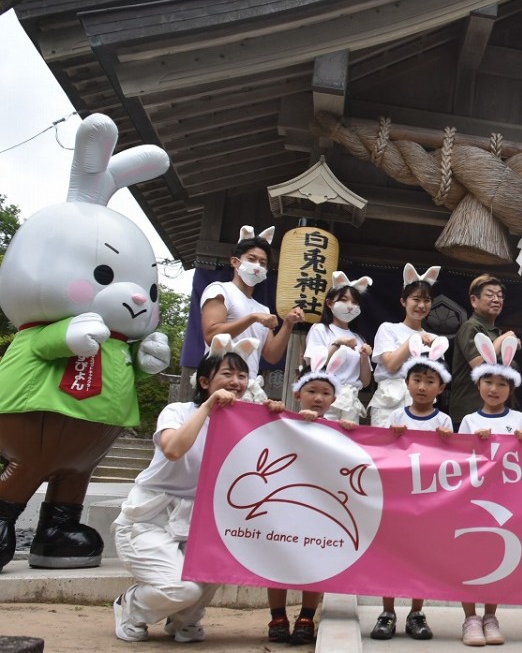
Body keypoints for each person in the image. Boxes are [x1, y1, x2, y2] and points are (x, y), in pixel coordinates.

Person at [111, 335, 255, 643]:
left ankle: (184, 620)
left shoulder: (242, 424)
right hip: (148, 519)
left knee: (218, 566)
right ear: (204, 381)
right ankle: (131, 606)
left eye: (242, 376)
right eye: (227, 374)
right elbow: (174, 449)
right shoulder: (178, 411)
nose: (236, 381)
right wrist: (208, 407)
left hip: (198, 521)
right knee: (181, 587)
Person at [262, 368, 357, 644]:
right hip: (282, 507)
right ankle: (277, 616)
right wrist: (276, 410)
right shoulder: (280, 420)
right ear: (297, 394)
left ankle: (306, 616)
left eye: (325, 393)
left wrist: (349, 432)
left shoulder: (338, 428)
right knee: (277, 560)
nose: (318, 398)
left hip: (320, 509)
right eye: (312, 391)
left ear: (334, 398)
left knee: (315, 559)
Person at [371, 335, 454, 641]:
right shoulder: (395, 417)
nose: (422, 386)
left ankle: (417, 613)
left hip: (428, 503)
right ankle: (387, 612)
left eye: (429, 381)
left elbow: (450, 463)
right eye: (417, 379)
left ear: (441, 387)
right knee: (391, 555)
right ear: (406, 382)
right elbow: (381, 457)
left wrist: (447, 440)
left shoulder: (444, 420)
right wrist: (391, 438)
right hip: (397, 501)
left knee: (421, 558)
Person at [458, 332, 522, 646]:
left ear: (510, 389)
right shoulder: (469, 421)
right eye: (488, 382)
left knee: (497, 557)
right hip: (474, 502)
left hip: (506, 502)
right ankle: (470, 618)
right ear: (478, 385)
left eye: (502, 384)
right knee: (469, 557)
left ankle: (490, 615)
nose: (494, 389)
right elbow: (457, 464)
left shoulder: (518, 419)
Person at [200, 226, 303, 386]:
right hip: (218, 380)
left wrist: (288, 324)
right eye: (251, 259)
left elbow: (271, 356)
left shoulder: (263, 310)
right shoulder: (220, 289)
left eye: (263, 263)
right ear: (235, 261)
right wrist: (252, 318)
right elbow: (211, 335)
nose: (257, 266)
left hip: (248, 384)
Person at [370, 263, 441, 428]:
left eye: (427, 300)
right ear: (403, 301)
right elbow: (392, 364)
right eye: (416, 299)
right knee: (385, 450)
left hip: (421, 402)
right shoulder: (388, 329)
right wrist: (414, 340)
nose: (421, 306)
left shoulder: (434, 339)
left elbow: (435, 376)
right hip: (389, 399)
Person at [450, 274, 520, 429]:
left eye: (500, 296)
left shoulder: (494, 331)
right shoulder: (471, 327)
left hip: (494, 413)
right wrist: (504, 338)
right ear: (474, 300)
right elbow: (480, 366)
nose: (496, 299)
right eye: (490, 295)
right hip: (469, 413)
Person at [304, 271, 373, 423]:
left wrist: (364, 356)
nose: (350, 306)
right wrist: (337, 344)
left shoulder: (359, 338)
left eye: (354, 302)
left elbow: (366, 381)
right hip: (325, 397)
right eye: (344, 300)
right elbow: (315, 366)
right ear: (329, 303)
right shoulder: (320, 329)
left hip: (350, 401)